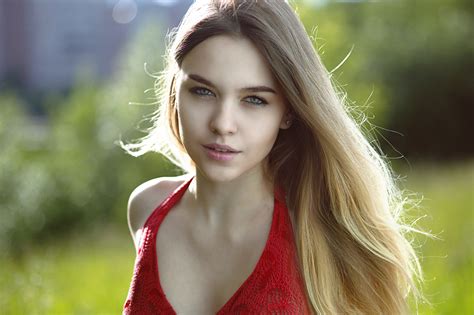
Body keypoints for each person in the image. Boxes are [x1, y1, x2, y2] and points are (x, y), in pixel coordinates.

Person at [121, 0, 425, 314]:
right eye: (202, 91)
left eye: (254, 99)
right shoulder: (146, 208)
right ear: (174, 92)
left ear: (288, 111)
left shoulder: (321, 229)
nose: (223, 124)